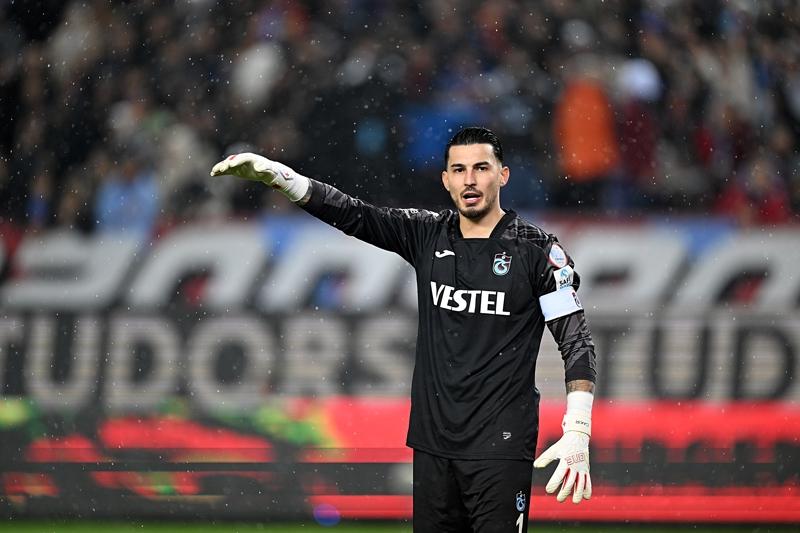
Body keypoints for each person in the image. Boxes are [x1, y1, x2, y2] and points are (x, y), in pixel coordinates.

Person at [210, 127, 597, 532]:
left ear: (503, 175)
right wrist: (282, 178)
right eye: (459, 170)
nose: (469, 180)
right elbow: (354, 214)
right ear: (445, 180)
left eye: (481, 168)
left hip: (500, 446)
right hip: (433, 444)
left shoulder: (537, 253)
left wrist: (578, 428)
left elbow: (577, 343)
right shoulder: (426, 234)